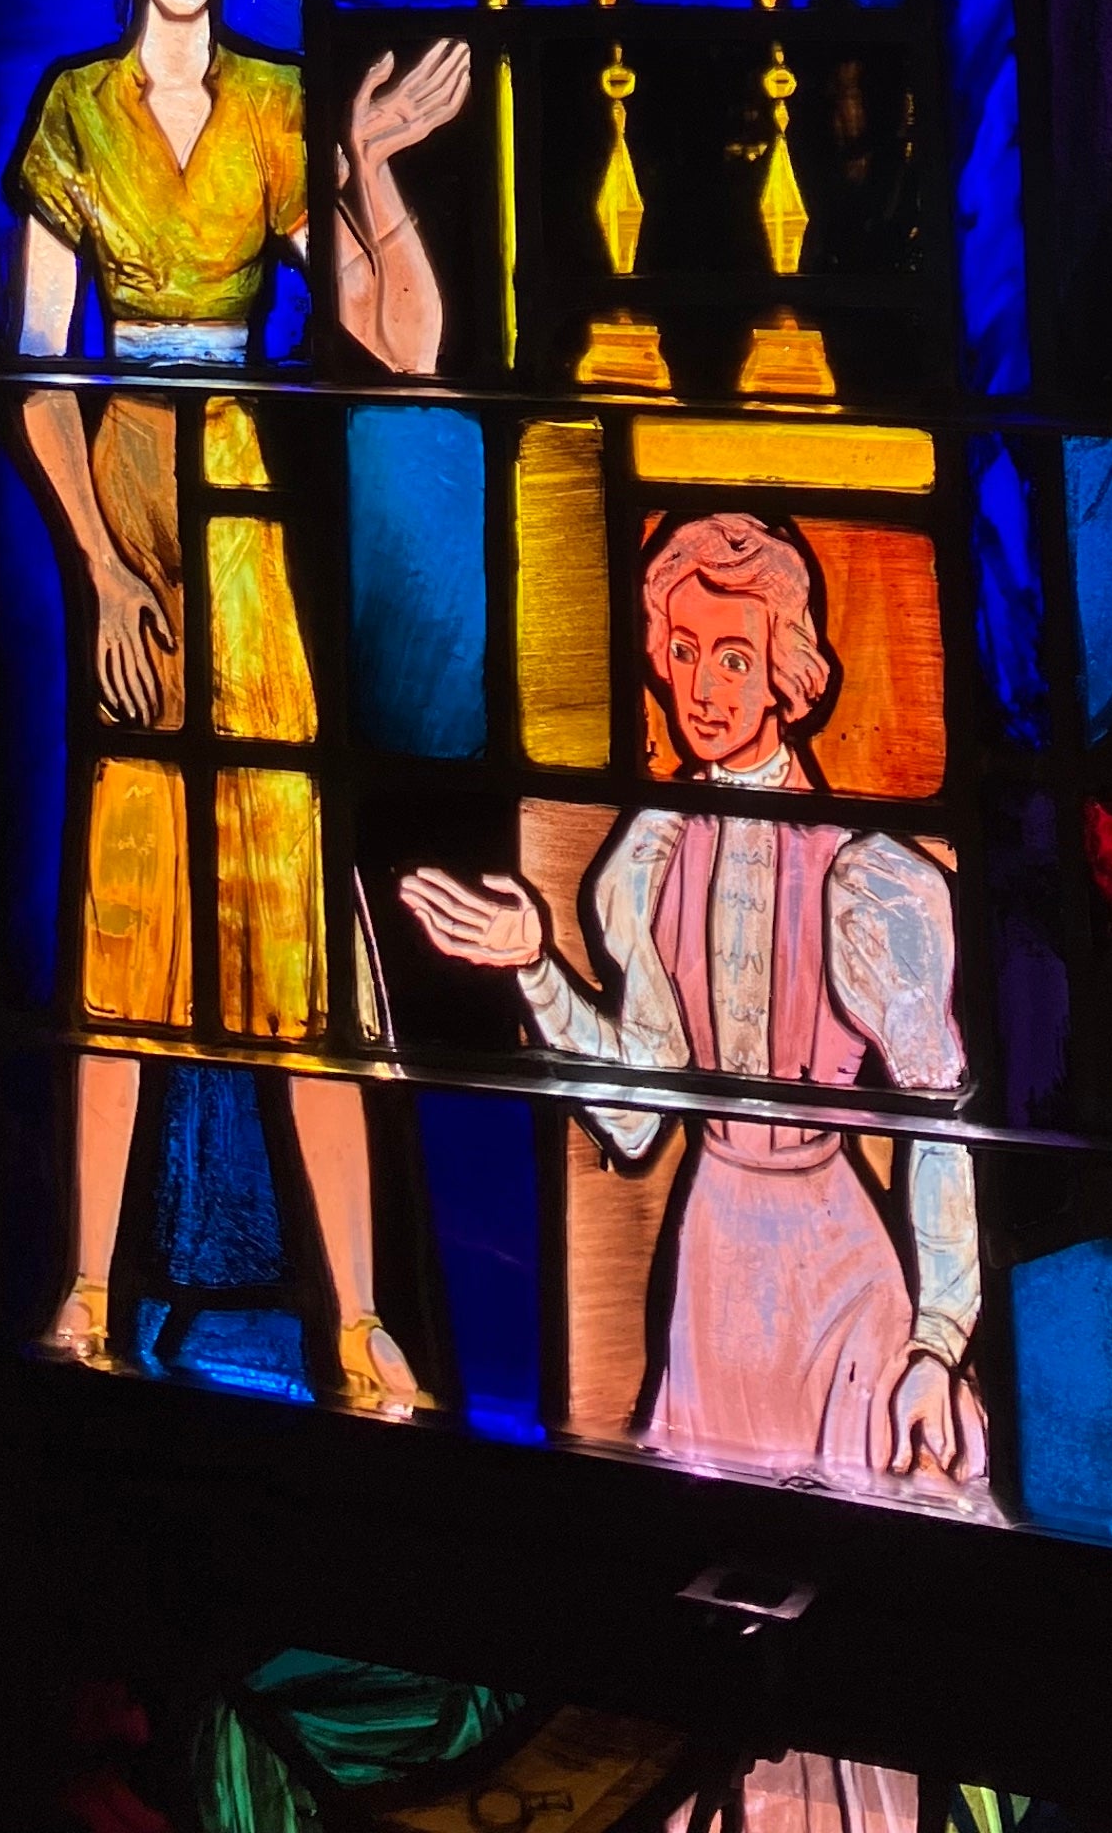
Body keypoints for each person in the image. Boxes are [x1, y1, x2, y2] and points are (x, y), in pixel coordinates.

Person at [10, 0, 470, 1409]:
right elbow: (36, 374)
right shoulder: (72, 113)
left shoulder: (280, 106)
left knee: (292, 902)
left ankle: (355, 1319)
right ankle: (79, 1291)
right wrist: (106, 566)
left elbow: (401, 340)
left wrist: (369, 164)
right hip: (132, 492)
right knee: (125, 904)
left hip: (247, 522)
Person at [398, 514, 986, 1511]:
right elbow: (635, 1110)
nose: (703, 688)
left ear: (786, 671)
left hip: (837, 1261)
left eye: (732, 656)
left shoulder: (871, 878)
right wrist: (536, 966)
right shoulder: (648, 858)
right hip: (712, 1254)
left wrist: (938, 1337)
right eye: (680, 651)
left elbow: (939, 1128)